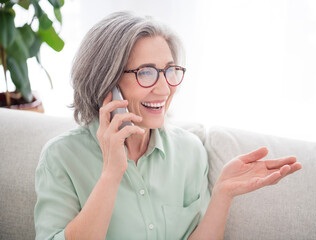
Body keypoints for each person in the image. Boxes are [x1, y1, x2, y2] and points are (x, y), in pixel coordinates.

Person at [34, 11, 302, 240]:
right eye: (146, 73)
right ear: (108, 83)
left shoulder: (189, 151)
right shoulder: (62, 157)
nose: (164, 89)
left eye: (170, 70)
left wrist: (222, 194)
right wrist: (111, 174)